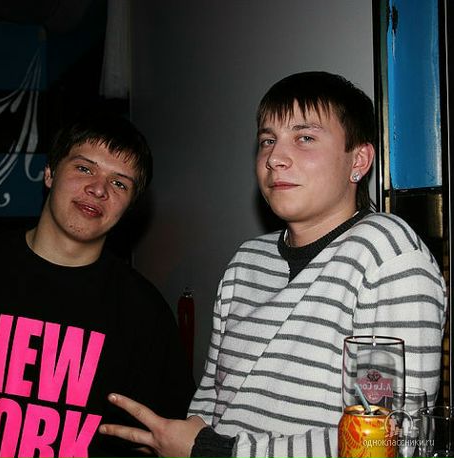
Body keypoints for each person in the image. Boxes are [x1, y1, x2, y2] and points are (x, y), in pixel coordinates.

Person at [98, 71, 448, 457]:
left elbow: (391, 438)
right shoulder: (246, 261)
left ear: (359, 160)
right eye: (267, 141)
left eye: (305, 138)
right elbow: (211, 398)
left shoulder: (388, 254)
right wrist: (177, 439)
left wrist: (213, 451)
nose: (274, 159)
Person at [0, 112, 195, 458]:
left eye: (119, 184)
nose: (98, 189)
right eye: (84, 168)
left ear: (129, 207)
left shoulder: (145, 312)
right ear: (49, 173)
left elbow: (158, 442)